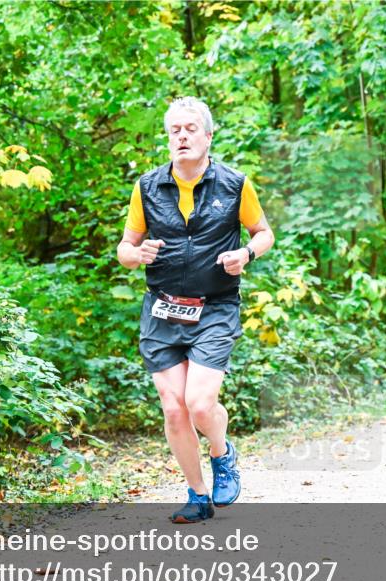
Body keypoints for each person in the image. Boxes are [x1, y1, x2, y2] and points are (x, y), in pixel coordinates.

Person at [117, 97, 275, 523]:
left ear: (208, 136)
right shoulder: (147, 188)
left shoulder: (234, 184)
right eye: (175, 131)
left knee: (200, 405)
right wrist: (137, 253)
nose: (182, 137)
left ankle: (222, 454)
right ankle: (198, 494)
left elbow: (263, 234)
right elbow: (124, 248)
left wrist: (245, 253)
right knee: (173, 407)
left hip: (215, 307)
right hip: (163, 308)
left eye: (190, 129)